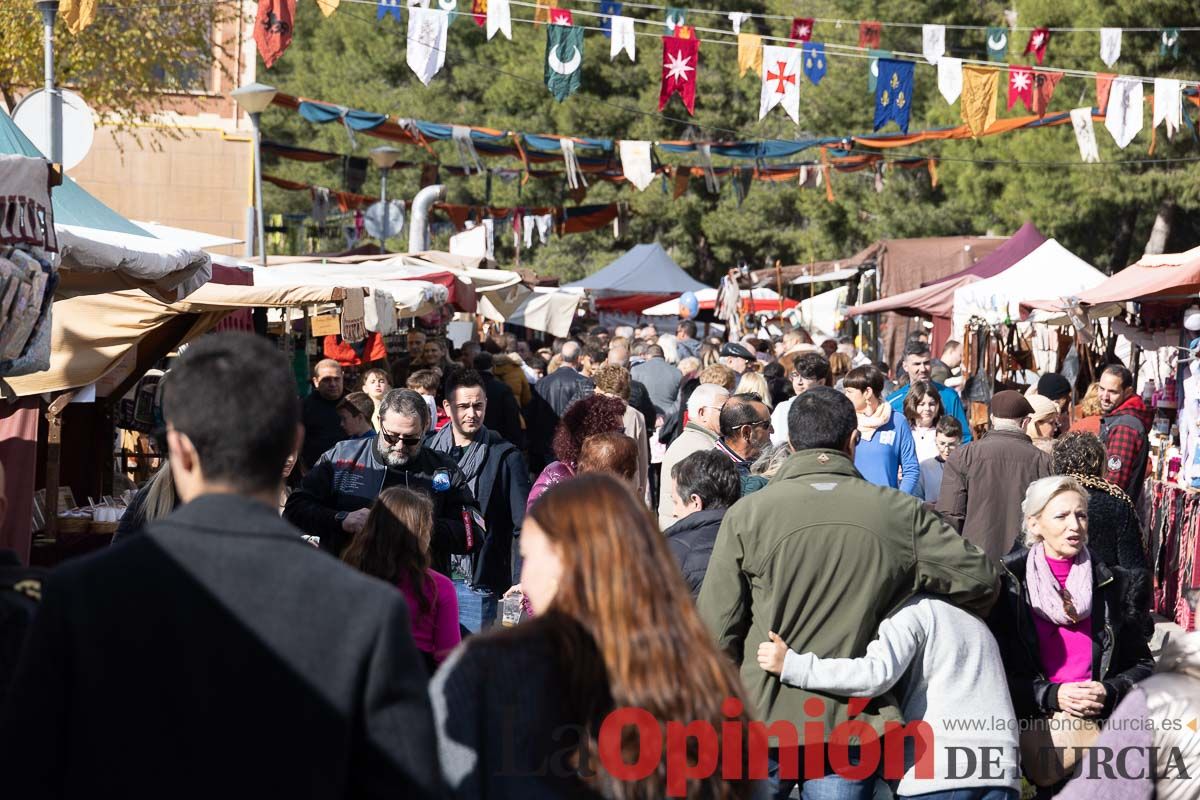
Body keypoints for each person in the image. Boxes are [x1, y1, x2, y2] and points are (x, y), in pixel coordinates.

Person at [0, 332, 441, 798]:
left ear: (178, 448)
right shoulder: (365, 613)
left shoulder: (80, 595)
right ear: (292, 443)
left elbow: (28, 773)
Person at [699, 387, 1000, 800]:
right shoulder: (898, 512)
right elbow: (981, 579)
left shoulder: (748, 513)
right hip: (851, 716)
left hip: (763, 709)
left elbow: (716, 630)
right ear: (853, 441)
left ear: (790, 444)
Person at [431, 474, 758, 799]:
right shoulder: (708, 679)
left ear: (567, 566)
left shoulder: (487, 670)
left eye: (529, 556)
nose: (524, 577)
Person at [757, 592, 1021, 800]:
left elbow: (875, 675)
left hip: (941, 776)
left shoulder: (914, 610)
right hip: (1002, 773)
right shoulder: (972, 618)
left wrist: (793, 666)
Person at [988, 476, 1153, 791]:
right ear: (1034, 525)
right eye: (1061, 516)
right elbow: (992, 675)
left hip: (1103, 741)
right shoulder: (1009, 588)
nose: (1075, 525)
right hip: (1036, 740)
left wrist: (1109, 691)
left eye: (1081, 515)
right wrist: (1051, 694)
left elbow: (1144, 666)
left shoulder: (1115, 585)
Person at [285, 388, 481, 568]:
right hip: (349, 581)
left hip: (417, 588)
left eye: (411, 439)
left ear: (425, 427)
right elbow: (295, 510)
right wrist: (341, 519)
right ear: (379, 422)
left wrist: (418, 527)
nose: (400, 446)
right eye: (392, 437)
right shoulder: (341, 457)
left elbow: (474, 533)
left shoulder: (443, 469)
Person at [1055, 592, 1200, 800]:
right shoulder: (1014, 582)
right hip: (1042, 732)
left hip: (1104, 724)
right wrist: (1051, 694)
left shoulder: (1159, 702)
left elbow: (1141, 661)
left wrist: (1110, 689)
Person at [427, 370, 532, 617]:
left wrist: (521, 577)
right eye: (463, 406)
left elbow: (524, 525)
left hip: (481, 582)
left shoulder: (505, 456)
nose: (471, 414)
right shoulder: (427, 451)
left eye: (478, 405)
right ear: (447, 406)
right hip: (432, 575)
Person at [342, 487, 460, 671]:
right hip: (415, 685)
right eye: (427, 530)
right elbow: (449, 659)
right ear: (419, 535)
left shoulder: (349, 572)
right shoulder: (439, 587)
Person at [937, 390, 1053, 563]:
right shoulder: (1044, 462)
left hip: (975, 563)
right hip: (1025, 563)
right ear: (1025, 422)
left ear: (992, 419)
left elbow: (950, 516)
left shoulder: (963, 456)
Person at [1051, 432, 1147, 572]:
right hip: (1104, 588)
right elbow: (1133, 567)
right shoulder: (1117, 502)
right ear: (1101, 465)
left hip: (1051, 584)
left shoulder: (1045, 499)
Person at [527, 393, 627, 510]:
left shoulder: (617, 475)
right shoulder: (556, 476)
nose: (624, 438)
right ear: (595, 437)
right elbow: (535, 523)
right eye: (620, 432)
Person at [664, 450, 741, 600]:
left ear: (695, 502)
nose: (674, 512)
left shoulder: (671, 552)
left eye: (676, 502)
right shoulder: (755, 539)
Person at [657, 383, 729, 528]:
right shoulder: (700, 448)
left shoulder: (699, 442)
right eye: (724, 410)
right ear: (702, 413)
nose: (730, 414)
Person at [843, 365, 920, 495]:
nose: (845, 396)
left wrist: (898, 501)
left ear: (867, 392)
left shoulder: (897, 421)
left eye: (849, 391)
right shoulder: (845, 422)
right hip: (852, 505)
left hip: (887, 508)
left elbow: (911, 469)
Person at [887, 343, 973, 443]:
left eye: (926, 363)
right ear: (905, 366)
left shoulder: (949, 396)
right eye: (917, 364)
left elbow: (964, 437)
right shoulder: (893, 402)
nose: (923, 369)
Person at [528, 340, 593, 471]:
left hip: (548, 443)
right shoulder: (584, 383)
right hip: (573, 444)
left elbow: (533, 416)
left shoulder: (542, 383)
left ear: (561, 357)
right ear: (579, 358)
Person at [591, 364, 651, 502]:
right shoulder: (636, 415)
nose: (594, 389)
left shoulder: (591, 412)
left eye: (597, 385)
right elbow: (641, 459)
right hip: (627, 488)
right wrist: (641, 491)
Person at [1096, 364, 1152, 502]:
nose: (1105, 396)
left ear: (1127, 392)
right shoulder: (1119, 419)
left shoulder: (1124, 427)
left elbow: (1114, 482)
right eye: (1101, 389)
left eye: (1113, 392)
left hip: (1112, 510)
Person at [713, 392, 773, 492]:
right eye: (766, 425)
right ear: (746, 432)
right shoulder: (715, 475)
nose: (772, 430)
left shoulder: (767, 461)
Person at [770, 352, 830, 446]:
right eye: (795, 375)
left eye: (806, 377)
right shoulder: (783, 408)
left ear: (821, 382)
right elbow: (775, 441)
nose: (799, 382)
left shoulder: (831, 407)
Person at [472, 352, 525, 449]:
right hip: (498, 441)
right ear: (493, 367)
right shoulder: (502, 388)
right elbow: (512, 417)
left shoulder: (467, 388)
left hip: (473, 438)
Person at [300, 358, 345, 469]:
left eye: (336, 379)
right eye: (327, 380)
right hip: (315, 472)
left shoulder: (355, 405)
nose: (333, 384)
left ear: (342, 377)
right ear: (316, 381)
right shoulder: (303, 408)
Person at [917, 416, 962, 505]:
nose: (946, 450)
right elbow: (916, 499)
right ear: (935, 440)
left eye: (951, 444)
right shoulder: (924, 468)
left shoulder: (968, 467)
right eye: (942, 443)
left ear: (960, 441)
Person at [630, 344, 682, 417]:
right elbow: (680, 400)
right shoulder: (677, 372)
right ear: (664, 357)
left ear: (647, 356)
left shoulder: (636, 370)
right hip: (668, 419)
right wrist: (667, 414)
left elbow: (632, 398)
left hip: (644, 418)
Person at [903, 379, 945, 463]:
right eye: (921, 404)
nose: (927, 409)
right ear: (912, 405)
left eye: (932, 404)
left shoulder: (943, 432)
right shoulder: (904, 431)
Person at [361, 367, 392, 431]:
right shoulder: (362, 411)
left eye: (381, 381)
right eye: (373, 382)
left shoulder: (394, 409)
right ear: (365, 388)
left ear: (389, 387)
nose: (377, 384)